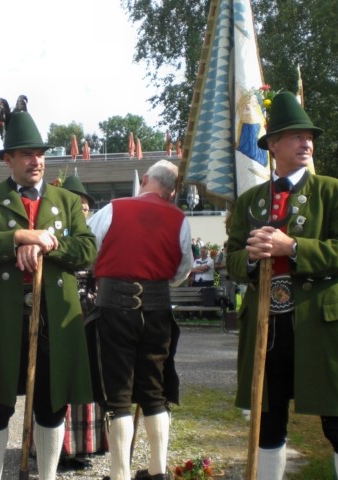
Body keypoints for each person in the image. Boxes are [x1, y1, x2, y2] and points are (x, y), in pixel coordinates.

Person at [226, 91, 338, 479]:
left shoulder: (333, 192)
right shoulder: (251, 201)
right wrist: (252, 257)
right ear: (273, 145)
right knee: (269, 423)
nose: (306, 142)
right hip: (267, 326)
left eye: (309, 136)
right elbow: (233, 260)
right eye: (295, 136)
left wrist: (293, 246)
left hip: (320, 325)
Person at [0, 106, 97, 480]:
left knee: (52, 404)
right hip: (3, 316)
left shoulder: (66, 201)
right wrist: (17, 237)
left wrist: (47, 245)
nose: (35, 161)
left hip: (54, 316)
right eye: (25, 154)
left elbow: (87, 250)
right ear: (8, 160)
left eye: (39, 154)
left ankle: (48, 476)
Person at [87, 159, 193, 480]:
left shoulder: (113, 209)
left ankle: (120, 474)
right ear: (172, 192)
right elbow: (182, 269)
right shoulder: (180, 219)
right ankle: (158, 472)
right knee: (154, 390)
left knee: (118, 393)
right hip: (158, 310)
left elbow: (89, 250)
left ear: (145, 178)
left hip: (114, 307)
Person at [57, 176, 107, 469]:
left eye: (85, 206)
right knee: (57, 383)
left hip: (89, 315)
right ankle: (57, 448)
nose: (82, 210)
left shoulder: (95, 238)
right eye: (76, 204)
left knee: (89, 381)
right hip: (57, 314)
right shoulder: (55, 233)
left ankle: (85, 446)